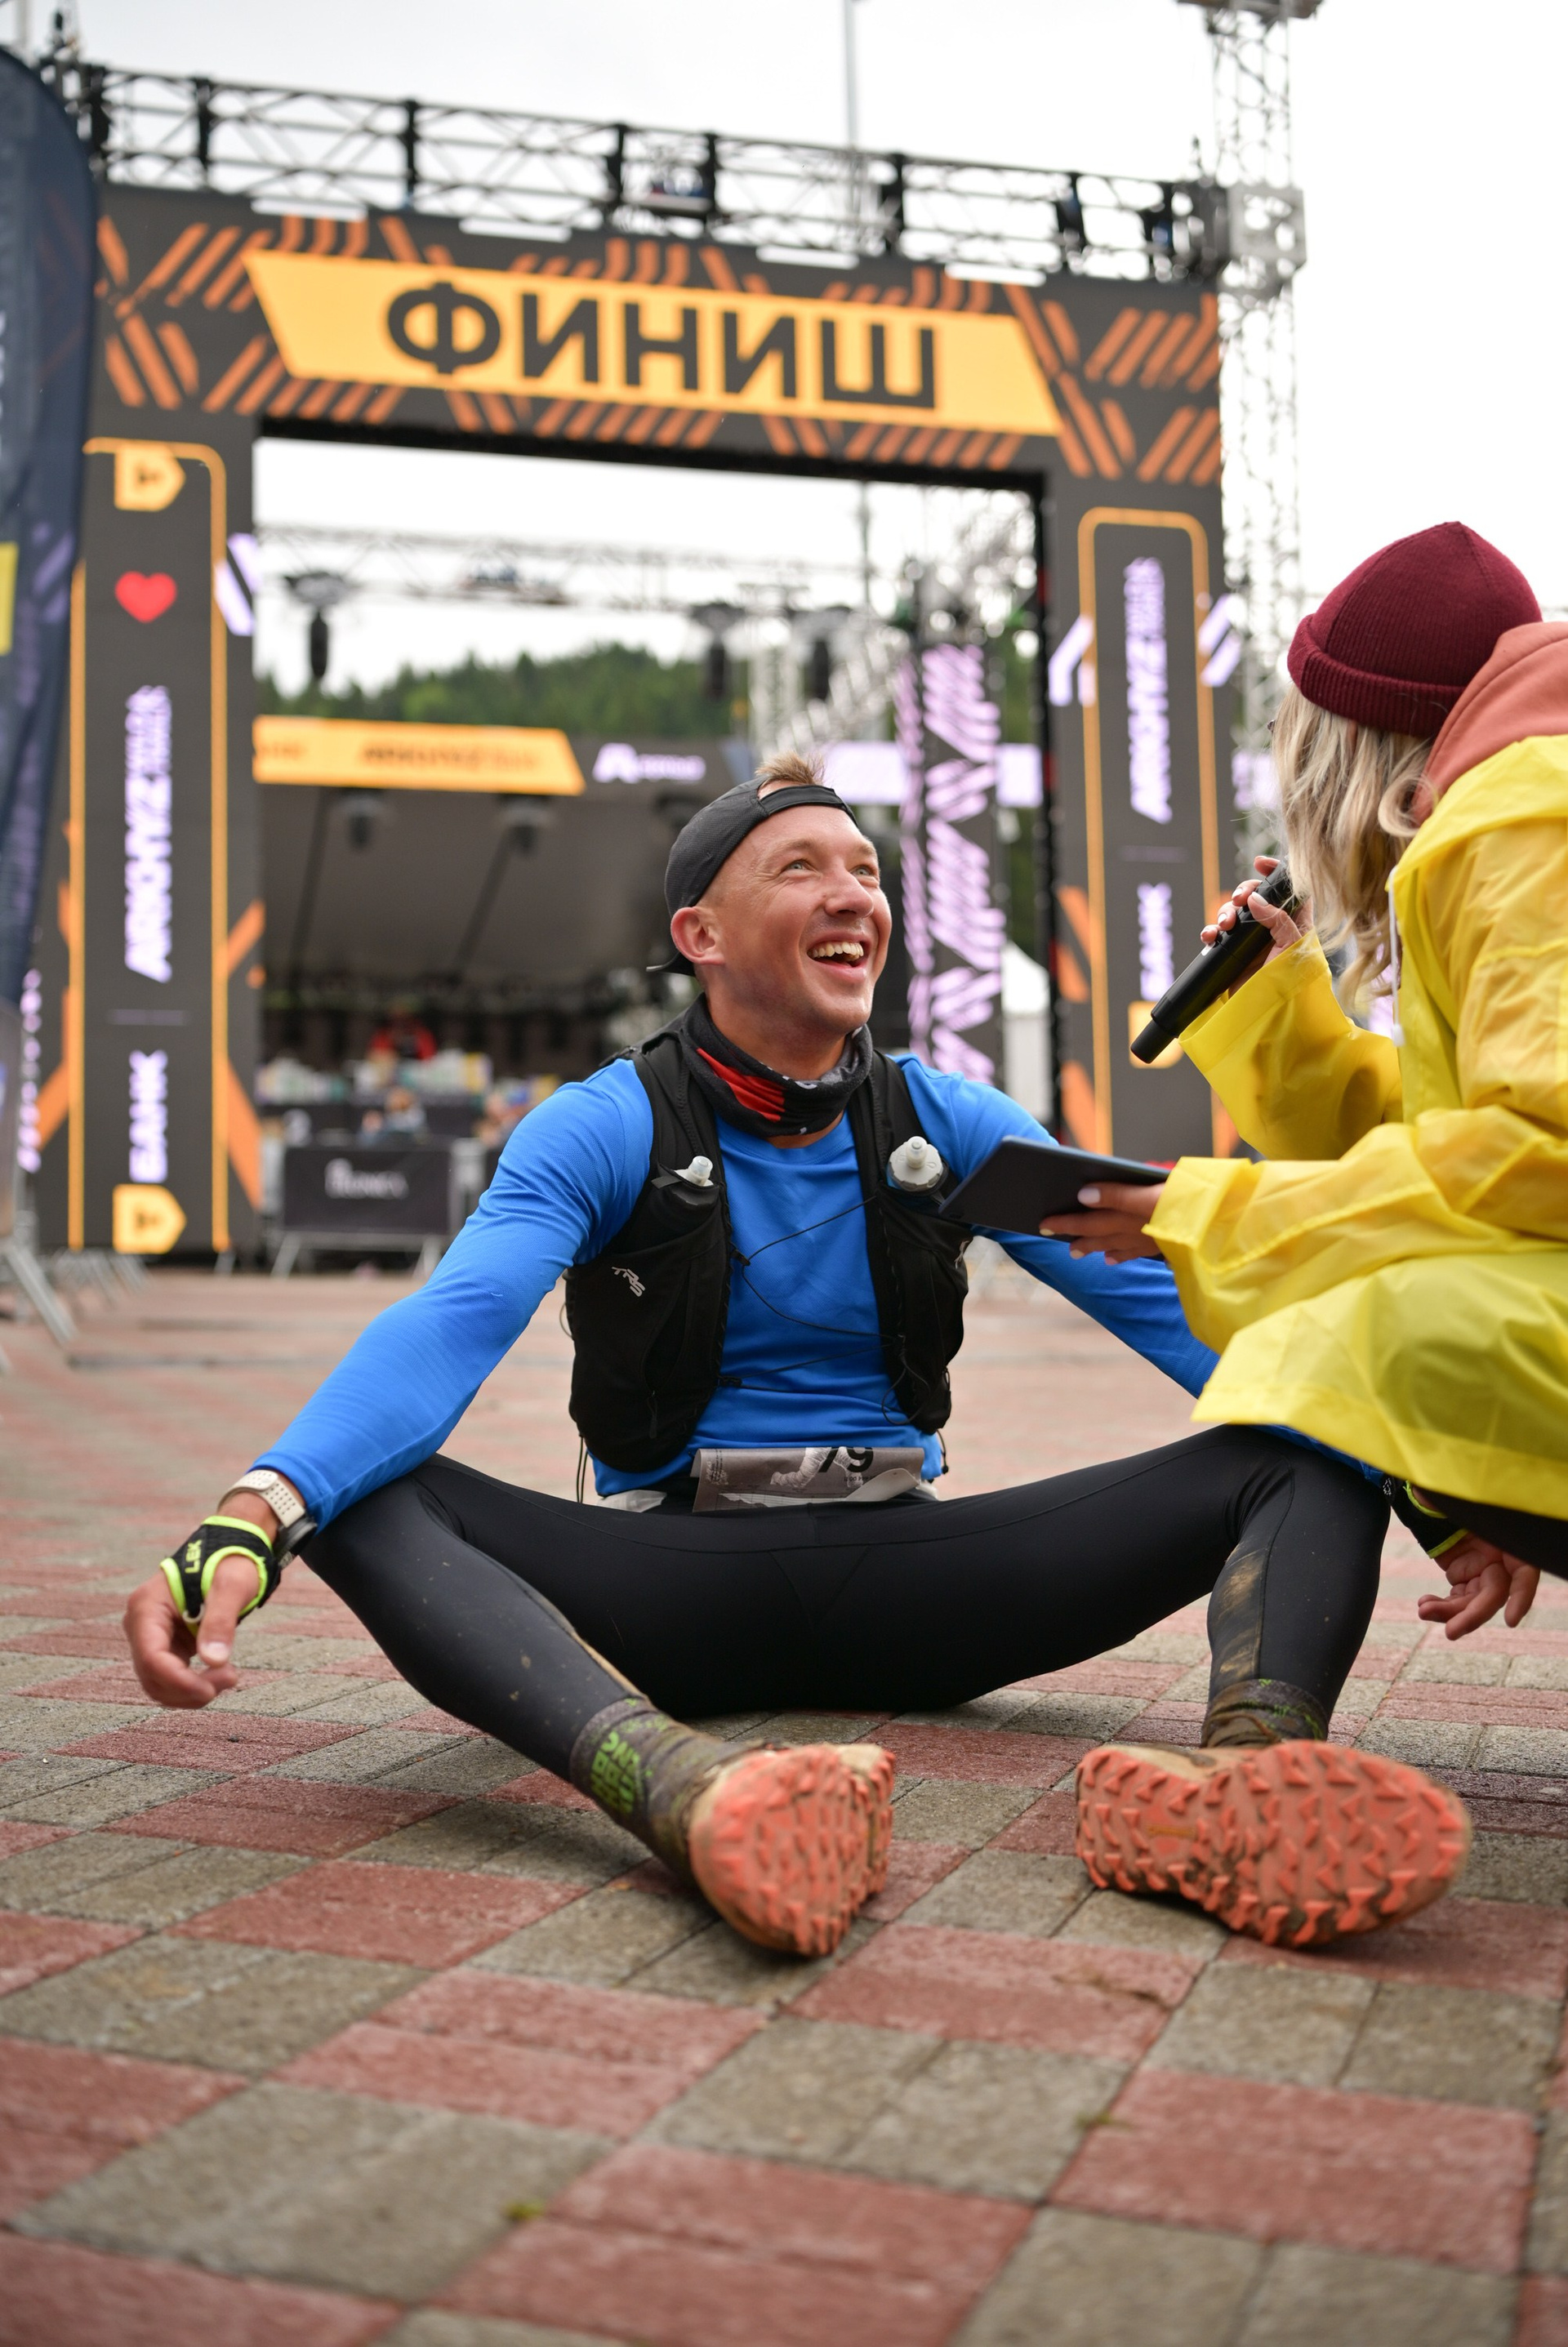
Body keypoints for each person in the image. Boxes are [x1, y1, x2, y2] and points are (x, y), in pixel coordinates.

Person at [124, 757, 1468, 1961]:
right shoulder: (600, 1124)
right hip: (667, 1599)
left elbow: (1187, 1312)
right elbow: (452, 1323)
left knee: (1312, 1442)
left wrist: (1436, 1492)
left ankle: (1245, 1785)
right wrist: (254, 1511)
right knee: (358, 1495)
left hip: (921, 1584)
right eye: (802, 867)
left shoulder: (947, 1117)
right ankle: (680, 1789)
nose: (853, 895)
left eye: (868, 871)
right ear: (699, 935)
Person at [1047, 521, 1568, 1821]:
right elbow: (1466, 1136)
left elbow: (1542, 1149)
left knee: (1341, 1333)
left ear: (1353, 742)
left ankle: (1249, 1766)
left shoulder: (1523, 812)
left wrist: (1212, 1211)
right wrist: (1280, 1009)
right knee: (1363, 1319)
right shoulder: (1524, 797)